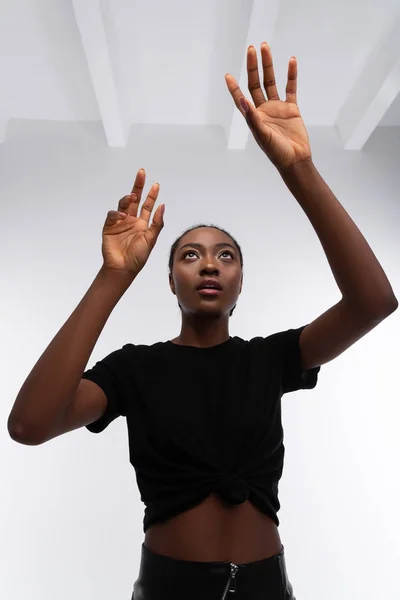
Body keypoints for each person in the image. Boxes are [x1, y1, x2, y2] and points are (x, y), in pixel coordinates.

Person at [8, 44, 397, 600]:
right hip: (169, 588)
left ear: (239, 281)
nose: (209, 263)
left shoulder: (269, 359)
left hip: (269, 586)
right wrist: (112, 277)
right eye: (189, 255)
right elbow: (29, 425)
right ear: (169, 281)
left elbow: (373, 302)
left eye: (225, 255)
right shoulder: (134, 369)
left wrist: (300, 169)